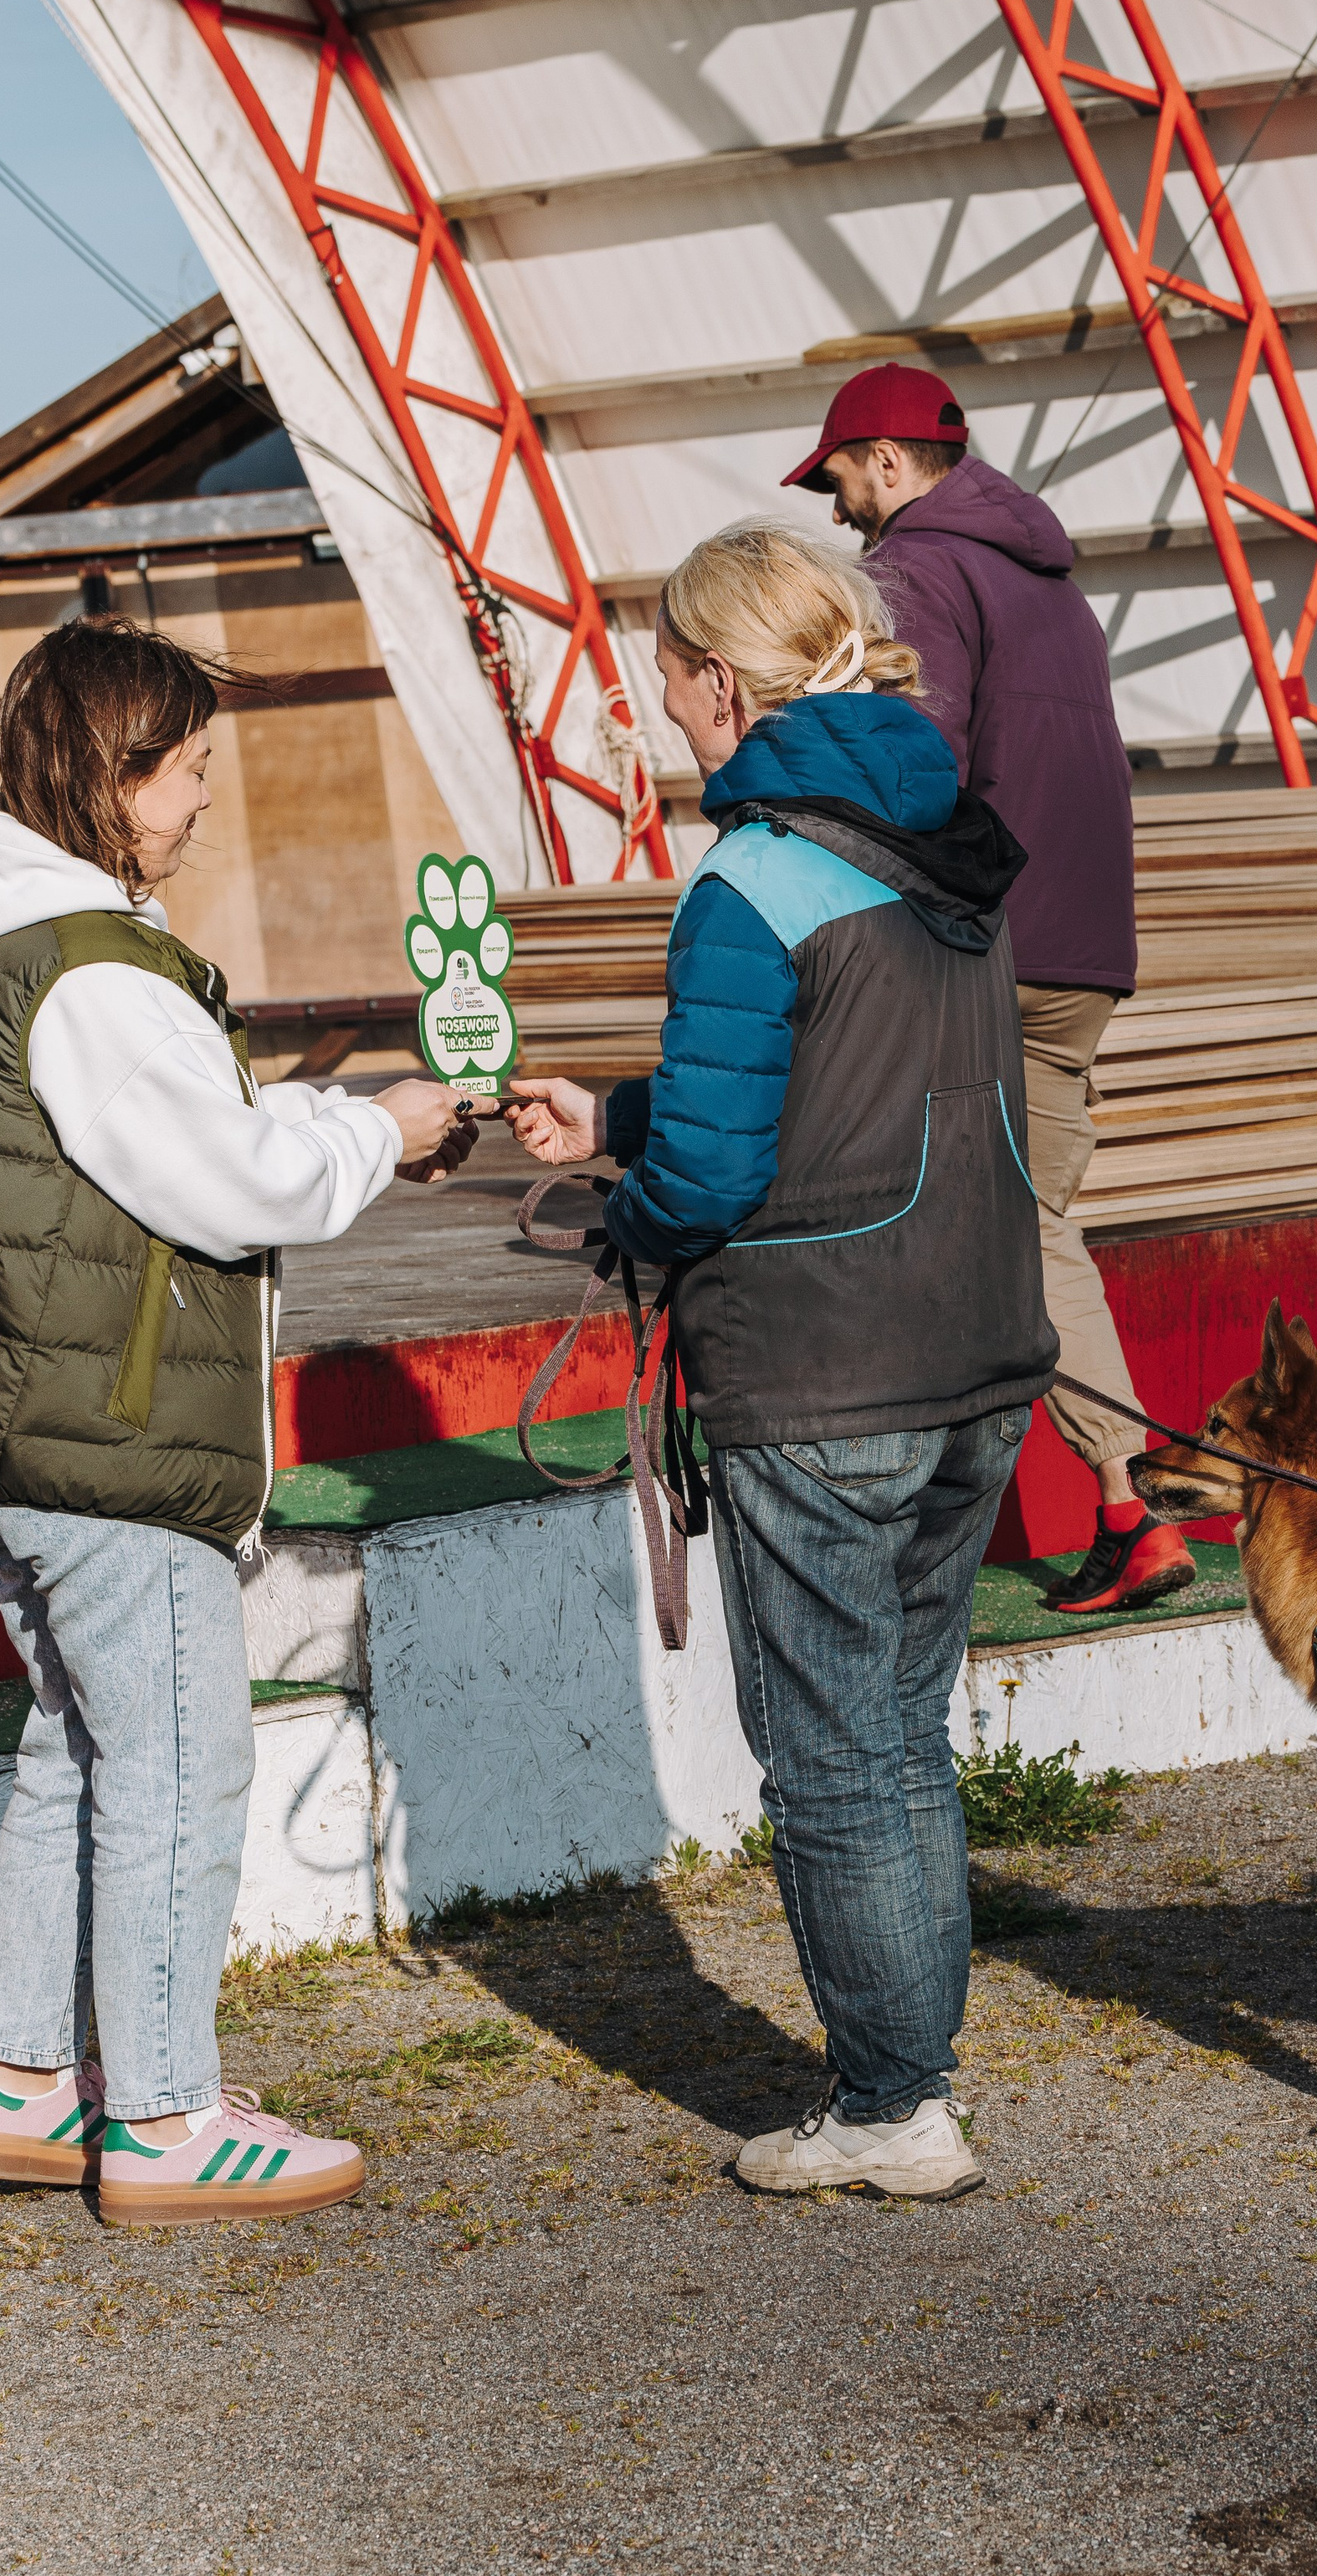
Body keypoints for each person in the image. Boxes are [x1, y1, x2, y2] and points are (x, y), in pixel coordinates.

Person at [0, 617, 470, 2225]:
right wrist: (373, 1130)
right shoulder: (92, 969)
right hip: (109, 1442)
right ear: (112, 775)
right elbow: (226, 1176)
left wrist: (341, 1122)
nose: (205, 798)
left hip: (15, 1425)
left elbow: (161, 1137)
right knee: (180, 1761)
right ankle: (158, 2113)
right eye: (186, 768)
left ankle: (21, 2084)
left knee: (80, 1742)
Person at [511, 526, 1053, 2201]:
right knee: (899, 1731)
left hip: (820, 1369)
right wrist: (612, 1113)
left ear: (721, 682)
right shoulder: (933, 841)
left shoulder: (744, 879)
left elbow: (722, 1177)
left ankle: (894, 2104)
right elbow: (842, 1082)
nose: (651, 694)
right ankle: (914, 2081)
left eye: (665, 665)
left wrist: (630, 1204)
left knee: (834, 1754)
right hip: (971, 1350)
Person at [781, 361, 1194, 1616]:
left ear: (893, 464)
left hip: (986, 946)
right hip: (1086, 956)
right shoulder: (1051, 582)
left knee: (960, 1226)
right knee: (1031, 1222)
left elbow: (925, 754)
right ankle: (1134, 1507)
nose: (840, 506)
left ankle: (1065, 1499)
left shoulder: (915, 566)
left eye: (843, 475)